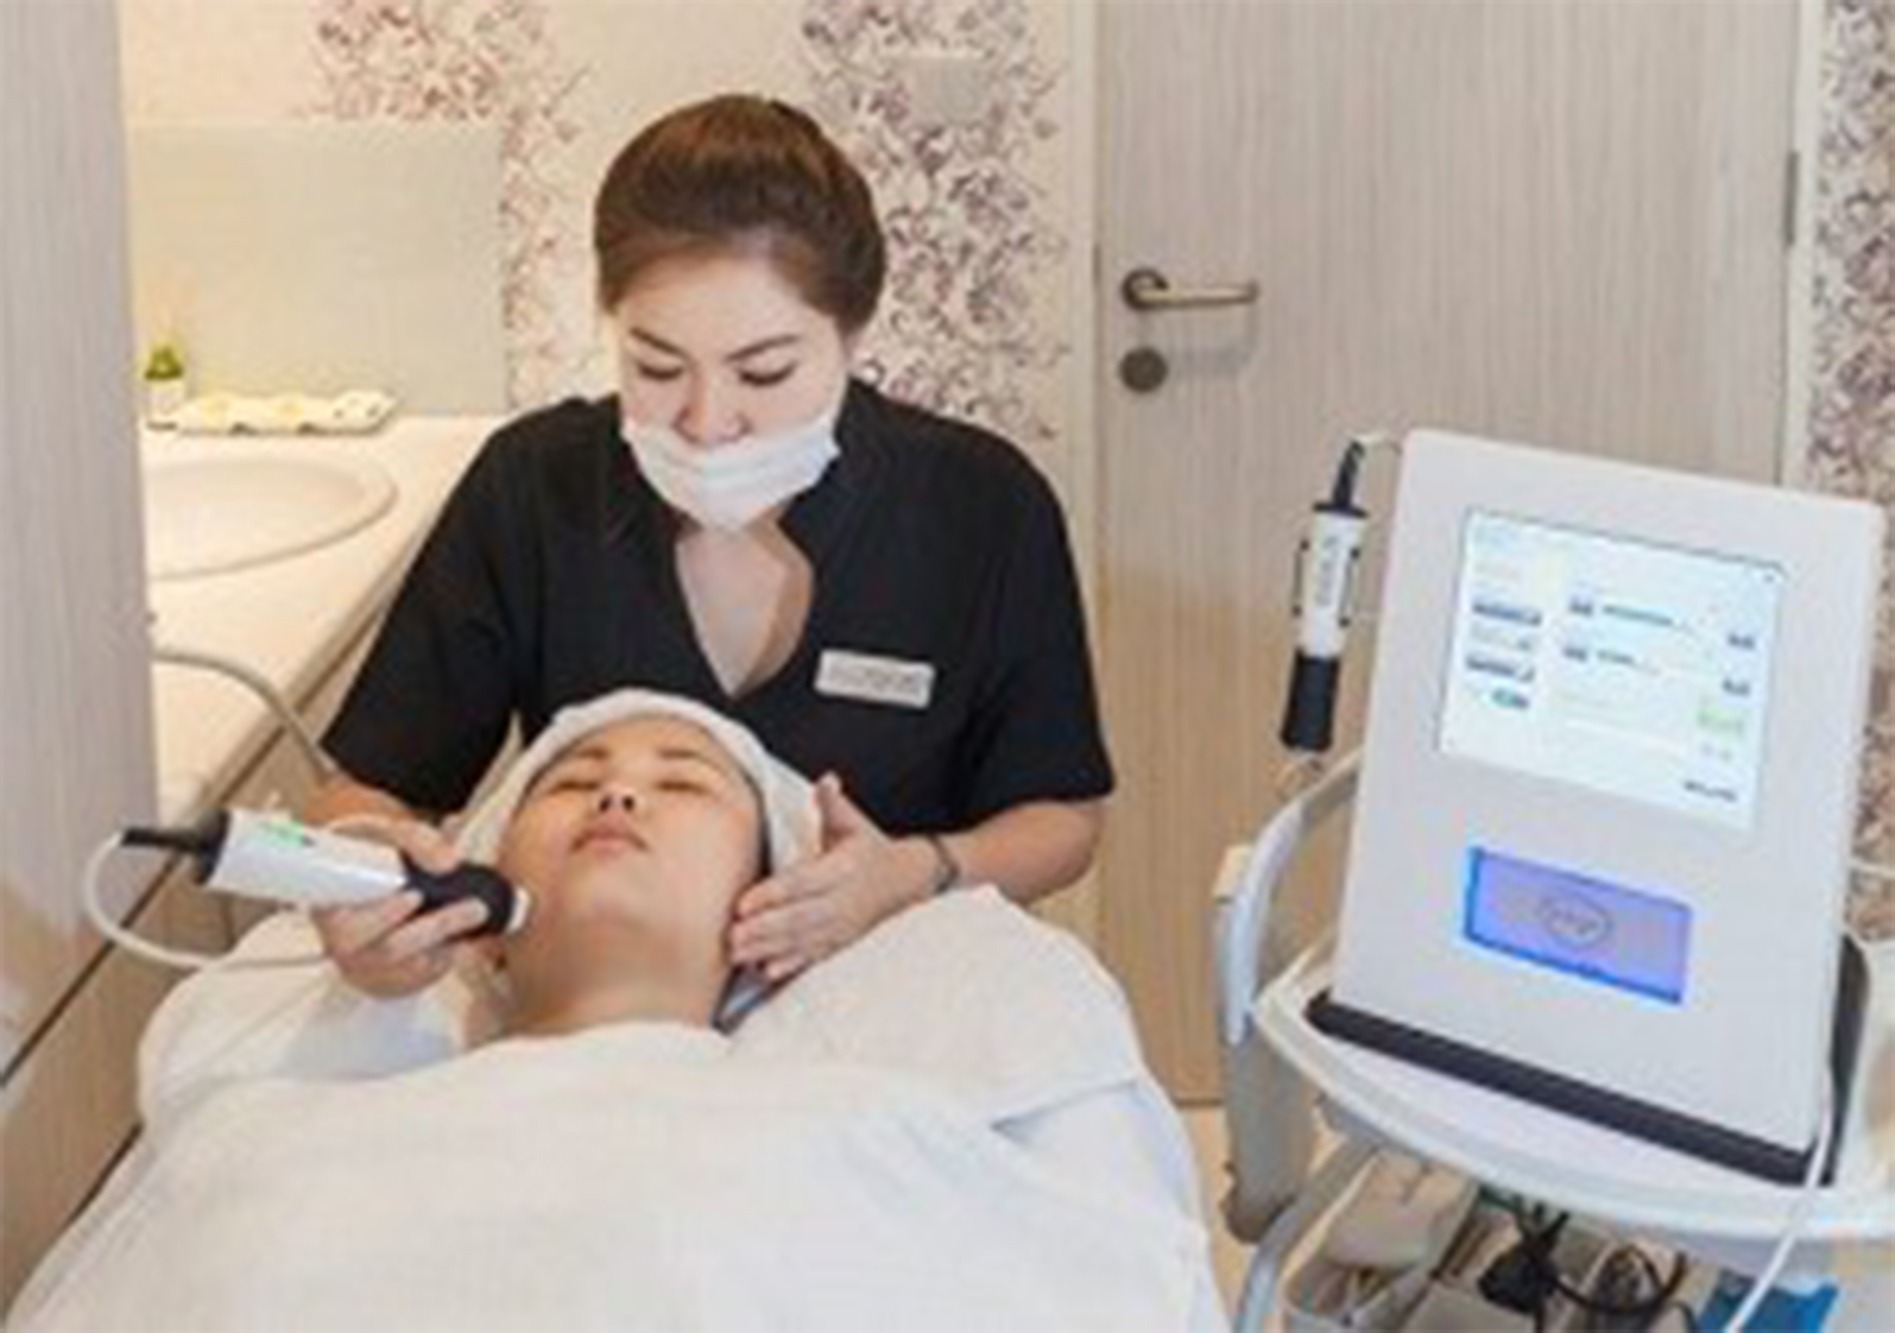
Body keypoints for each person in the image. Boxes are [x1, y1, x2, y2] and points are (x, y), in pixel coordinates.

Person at [307, 93, 1113, 998]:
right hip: (602, 1012)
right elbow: (373, 786)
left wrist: (916, 872)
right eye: (655, 366)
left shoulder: (978, 506)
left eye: (763, 371)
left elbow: (1062, 817)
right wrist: (360, 876)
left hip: (886, 995)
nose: (704, 420)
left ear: (852, 335)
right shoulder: (534, 486)